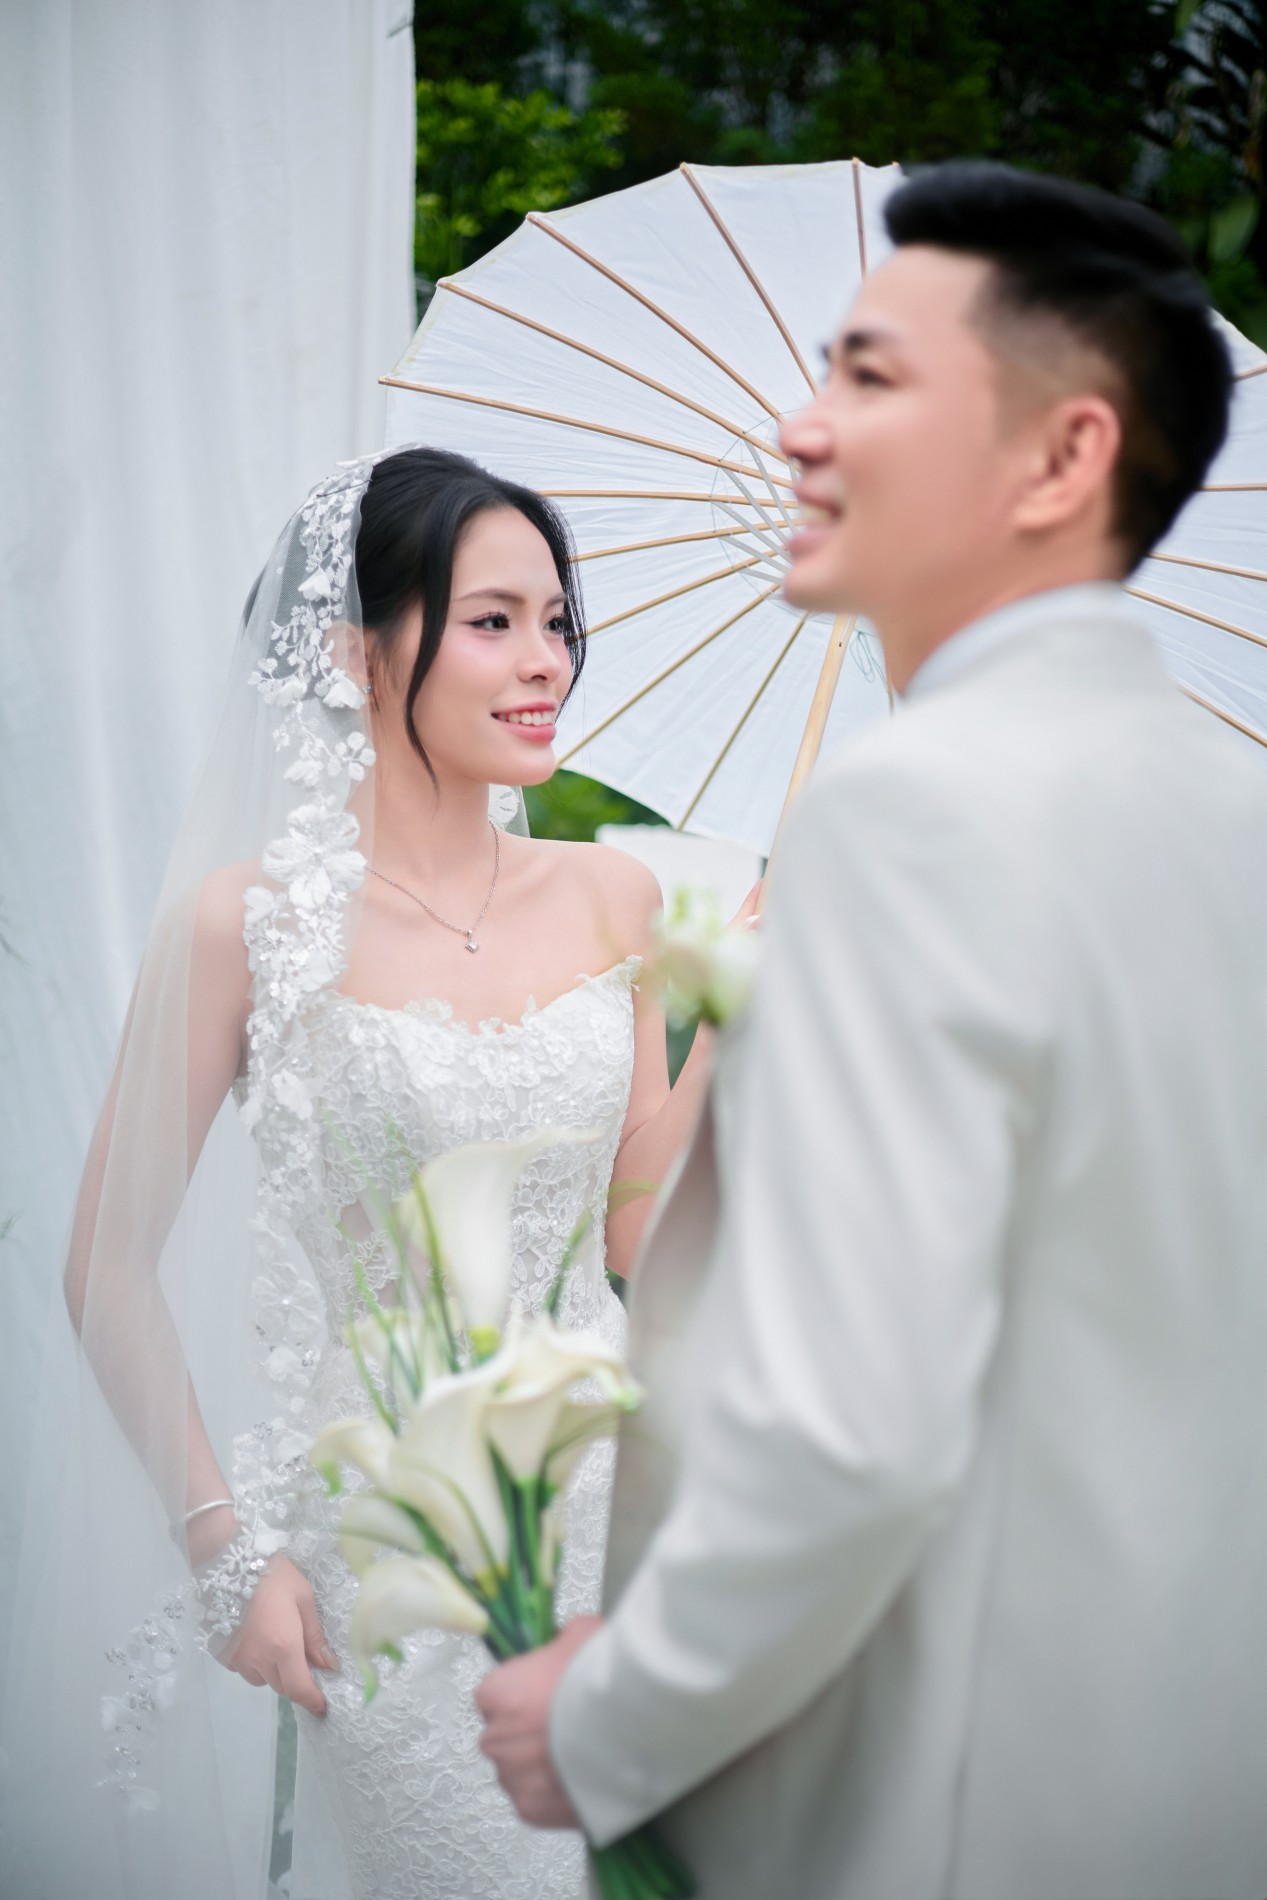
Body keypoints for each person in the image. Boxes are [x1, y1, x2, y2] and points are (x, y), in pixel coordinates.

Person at [476, 162, 1267, 1899]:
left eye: (871, 376)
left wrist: (610, 1715)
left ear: (1062, 458)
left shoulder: (915, 814)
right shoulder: (1233, 810)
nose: (801, 428)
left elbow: (850, 1431)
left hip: (933, 1790)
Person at [0, 446, 724, 1900]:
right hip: (390, 1548)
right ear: (355, 650)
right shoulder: (247, 927)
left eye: (557, 621)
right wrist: (226, 1551)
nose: (548, 662)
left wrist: (741, 1017)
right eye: (494, 621)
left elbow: (634, 1229)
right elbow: (105, 1263)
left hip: (619, 1512)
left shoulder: (618, 894)